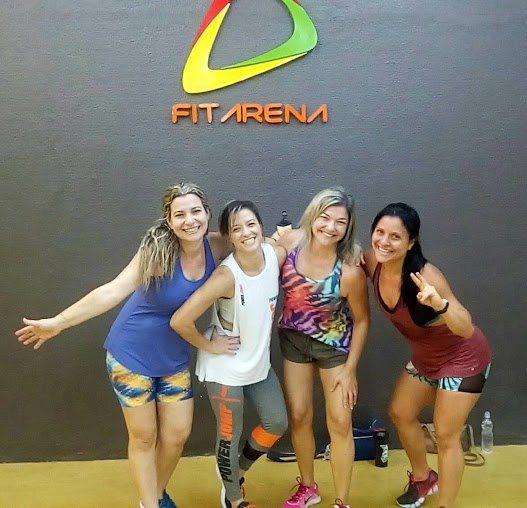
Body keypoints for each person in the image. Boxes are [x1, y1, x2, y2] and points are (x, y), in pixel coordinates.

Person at [15, 182, 232, 508]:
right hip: (131, 355)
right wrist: (58, 322)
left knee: (176, 435)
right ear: (169, 220)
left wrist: (288, 239)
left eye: (196, 211)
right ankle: (151, 504)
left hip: (173, 357)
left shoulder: (215, 246)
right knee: (144, 437)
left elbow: (255, 241)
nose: (190, 220)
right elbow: (112, 291)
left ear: (207, 213)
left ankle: (155, 496)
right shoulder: (157, 252)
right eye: (180, 214)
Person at [363, 202, 491, 508]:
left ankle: (445, 504)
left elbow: (465, 326)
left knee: (446, 435)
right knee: (400, 412)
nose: (384, 241)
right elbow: (335, 246)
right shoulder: (372, 261)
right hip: (426, 357)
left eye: (395, 236)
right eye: (379, 232)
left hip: (464, 359)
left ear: (411, 242)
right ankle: (423, 479)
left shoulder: (426, 276)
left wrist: (440, 305)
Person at [171, 200, 289, 508]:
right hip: (225, 369)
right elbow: (180, 320)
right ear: (229, 237)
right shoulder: (226, 276)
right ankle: (234, 499)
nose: (246, 233)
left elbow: (295, 237)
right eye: (237, 229)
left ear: (261, 227)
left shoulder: (274, 255)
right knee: (229, 436)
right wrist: (210, 345)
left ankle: (235, 472)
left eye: (251, 224)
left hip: (258, 364)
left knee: (276, 423)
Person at [276, 187, 370, 508]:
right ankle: (308, 487)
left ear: (348, 227)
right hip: (293, 342)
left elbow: (363, 321)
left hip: (334, 348)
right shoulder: (290, 243)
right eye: (325, 218)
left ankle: (342, 501)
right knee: (299, 416)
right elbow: (259, 252)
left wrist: (350, 369)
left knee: (340, 422)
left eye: (340, 222)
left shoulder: (349, 270)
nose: (330, 227)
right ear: (313, 215)